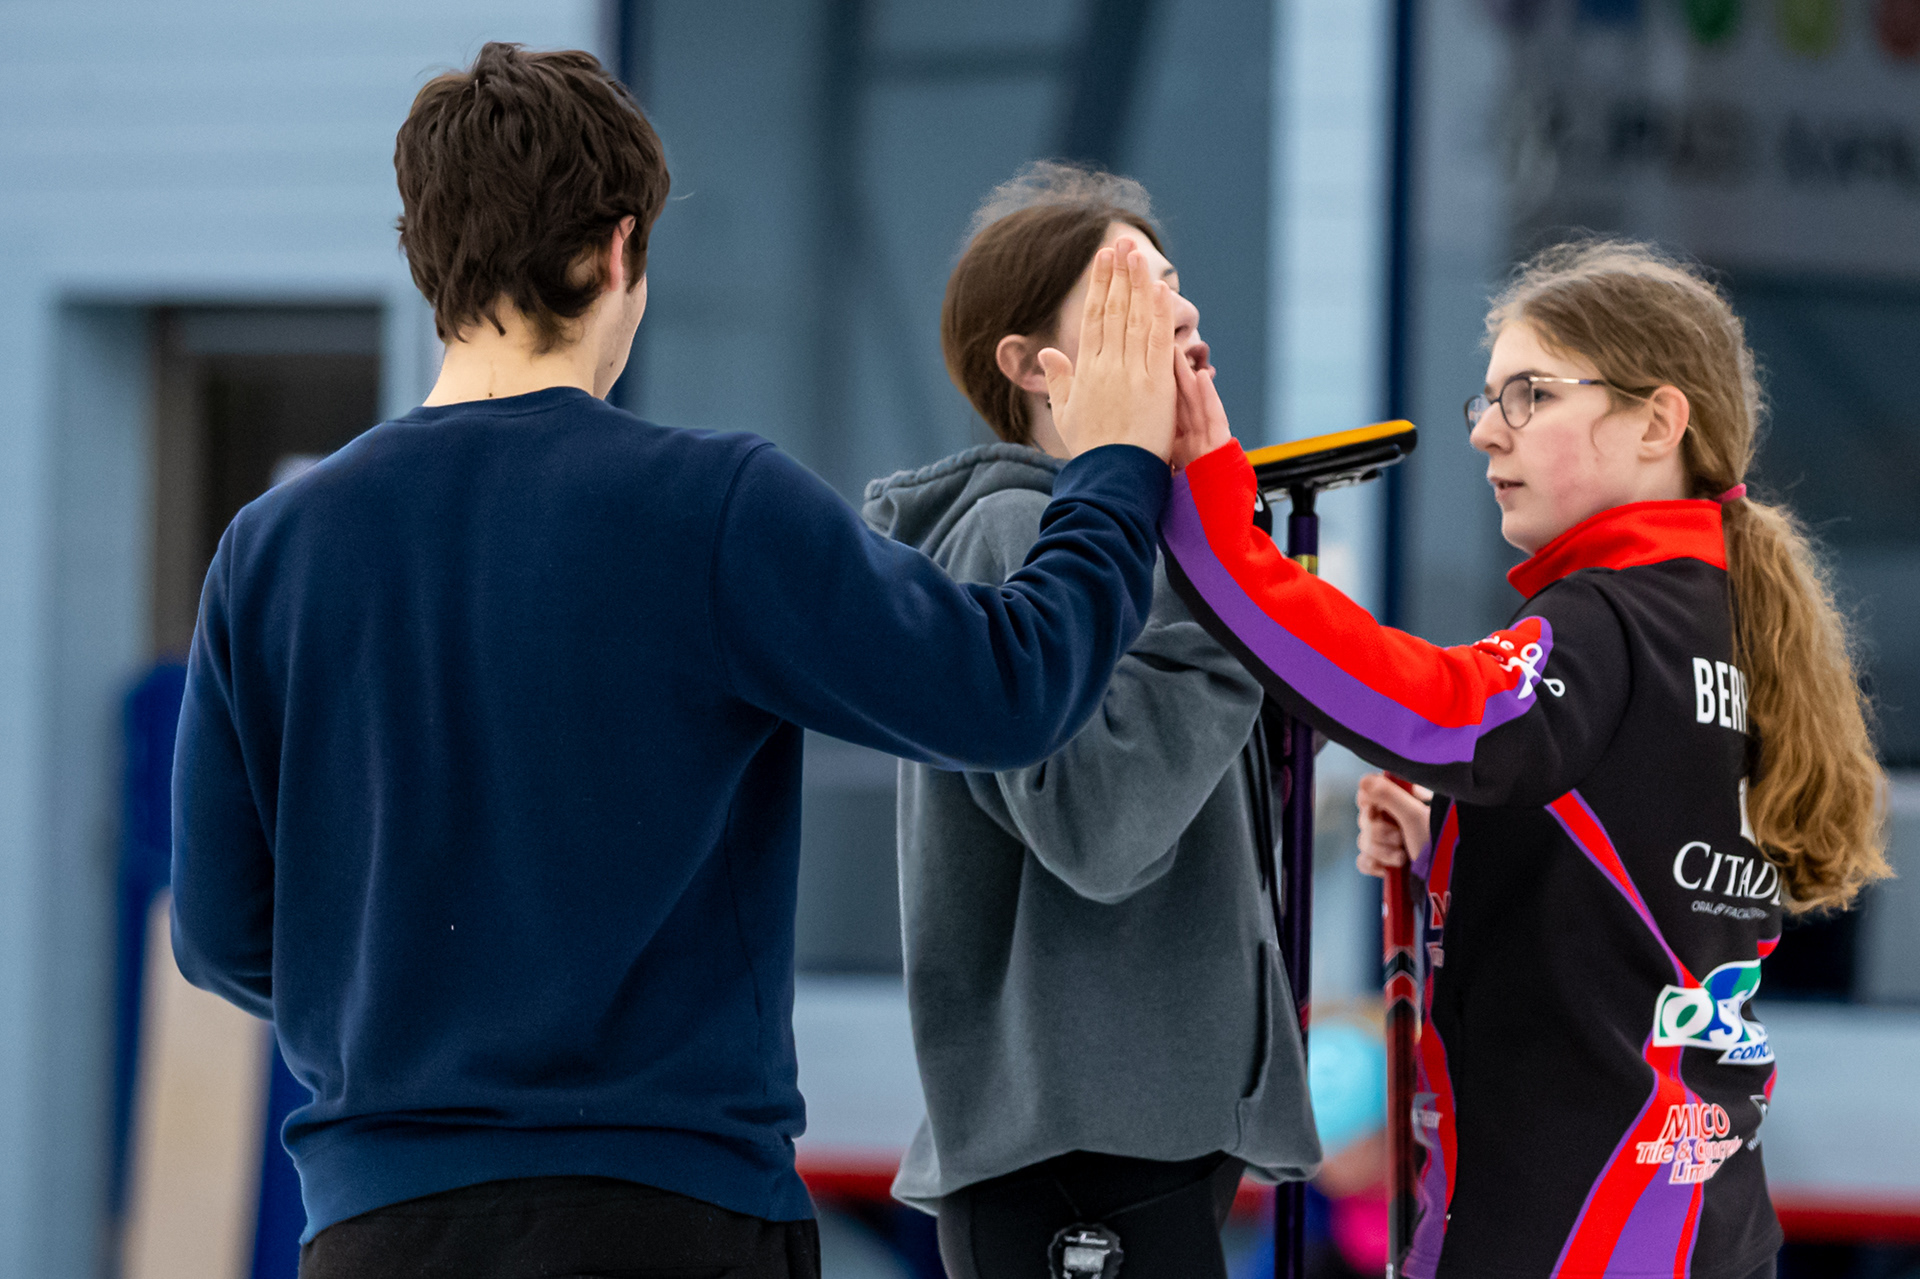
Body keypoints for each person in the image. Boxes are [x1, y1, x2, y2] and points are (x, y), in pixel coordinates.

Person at [168, 45, 1189, 1279]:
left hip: (376, 1227)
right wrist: (1115, 466)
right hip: (666, 1216)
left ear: (429, 260)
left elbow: (222, 934)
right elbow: (1012, 687)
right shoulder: (709, 507)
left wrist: (409, 1009)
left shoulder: (271, 550)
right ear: (618, 253)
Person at [1157, 240, 1888, 1279]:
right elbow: (1633, 878)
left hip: (1578, 1226)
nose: (1487, 430)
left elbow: (1430, 709)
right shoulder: (1722, 620)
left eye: (1531, 395)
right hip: (1694, 1214)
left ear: (1658, 422)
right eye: (1489, 399)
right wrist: (1454, 837)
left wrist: (1219, 527)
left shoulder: (1607, 622)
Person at [862, 163, 1318, 1279]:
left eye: (1175, 283)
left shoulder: (1148, 555)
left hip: (1130, 1146)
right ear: (1032, 365)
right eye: (1131, 294)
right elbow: (1102, 826)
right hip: (1078, 1158)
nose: (1182, 310)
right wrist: (1230, 617)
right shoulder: (1012, 532)